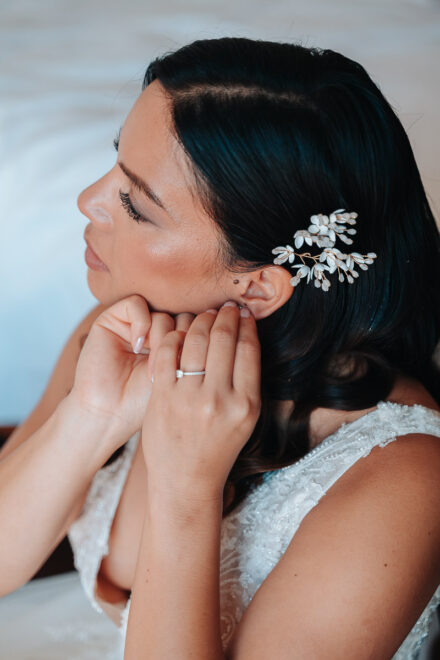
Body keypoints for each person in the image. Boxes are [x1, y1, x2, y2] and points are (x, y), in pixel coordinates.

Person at [1, 36, 440, 659]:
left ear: (257, 287)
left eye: (134, 204)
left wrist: (186, 492)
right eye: (115, 161)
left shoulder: (403, 479)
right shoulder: (125, 329)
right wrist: (90, 418)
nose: (87, 202)